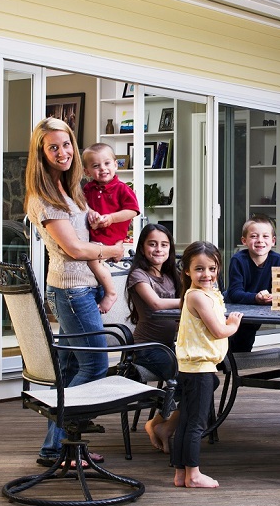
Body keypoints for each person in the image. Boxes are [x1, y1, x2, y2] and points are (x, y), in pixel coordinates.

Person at [25, 117, 124, 467]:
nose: (63, 152)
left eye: (66, 144)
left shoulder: (68, 189)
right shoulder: (46, 197)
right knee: (95, 364)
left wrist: (94, 219)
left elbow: (81, 233)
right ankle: (66, 444)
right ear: (42, 153)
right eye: (53, 147)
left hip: (76, 287)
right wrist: (111, 250)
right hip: (72, 290)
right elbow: (75, 250)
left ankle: (56, 449)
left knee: (69, 371)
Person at [172, 241, 243, 488]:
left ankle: (180, 474)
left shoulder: (204, 294)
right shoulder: (197, 297)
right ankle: (194, 474)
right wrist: (232, 325)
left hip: (193, 367)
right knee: (196, 424)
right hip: (200, 368)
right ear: (187, 271)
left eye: (212, 268)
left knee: (186, 421)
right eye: (199, 269)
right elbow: (218, 330)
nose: (207, 274)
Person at [125, 223, 183, 453]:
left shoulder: (171, 275)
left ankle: (160, 423)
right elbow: (156, 304)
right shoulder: (138, 276)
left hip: (170, 346)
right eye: (152, 244)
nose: (159, 249)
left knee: (206, 377)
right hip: (146, 349)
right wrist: (194, 299)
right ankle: (164, 425)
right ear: (142, 247)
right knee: (189, 378)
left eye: (164, 244)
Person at [224, 214, 280, 353]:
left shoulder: (277, 260)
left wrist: (272, 297)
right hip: (233, 310)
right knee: (232, 347)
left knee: (244, 346)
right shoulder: (238, 260)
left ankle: (237, 370)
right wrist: (256, 298)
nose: (260, 240)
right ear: (244, 240)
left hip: (256, 310)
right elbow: (234, 293)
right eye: (254, 236)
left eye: (265, 236)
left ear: (273, 241)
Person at [82, 142, 140, 249]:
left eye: (107, 163)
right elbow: (81, 205)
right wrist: (90, 211)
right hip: (90, 238)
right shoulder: (88, 188)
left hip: (112, 239)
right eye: (96, 166)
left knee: (93, 262)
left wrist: (112, 218)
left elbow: (132, 211)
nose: (102, 168)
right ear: (87, 172)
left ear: (116, 165)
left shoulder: (122, 188)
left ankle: (100, 267)